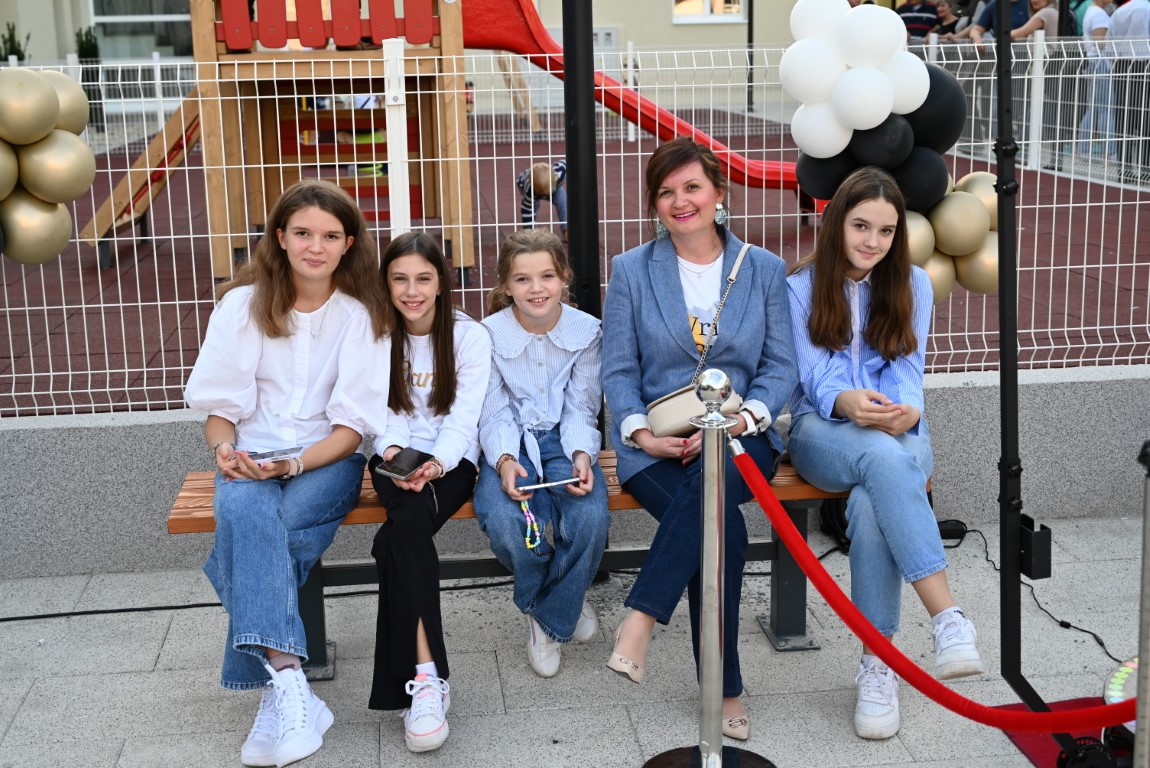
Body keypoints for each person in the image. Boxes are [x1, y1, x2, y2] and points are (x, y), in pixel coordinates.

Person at [184, 178, 391, 767]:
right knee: (253, 520)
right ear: (280, 236)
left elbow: (351, 430)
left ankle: (274, 691)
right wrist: (227, 453)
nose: (315, 247)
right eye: (302, 233)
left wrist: (294, 463)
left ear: (348, 243)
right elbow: (221, 413)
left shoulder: (361, 316)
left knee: (251, 541)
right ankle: (290, 683)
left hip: (326, 462)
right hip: (250, 461)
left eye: (329, 236)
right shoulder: (241, 307)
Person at [601, 137, 798, 741]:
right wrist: (639, 433)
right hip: (657, 443)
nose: (680, 201)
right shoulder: (631, 270)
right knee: (724, 529)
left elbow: (780, 366)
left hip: (740, 436)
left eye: (692, 187)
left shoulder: (762, 268)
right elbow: (619, 370)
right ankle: (724, 687)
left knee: (715, 500)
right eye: (666, 192)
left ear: (719, 192)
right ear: (654, 204)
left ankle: (640, 617)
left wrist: (746, 419)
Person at [784, 167, 984, 741]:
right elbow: (812, 375)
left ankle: (878, 665)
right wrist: (848, 402)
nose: (873, 241)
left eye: (886, 230)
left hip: (897, 433)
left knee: (875, 497)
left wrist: (907, 411)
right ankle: (946, 617)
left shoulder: (913, 284)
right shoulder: (799, 287)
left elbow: (908, 370)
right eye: (860, 226)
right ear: (836, 224)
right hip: (822, 429)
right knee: (881, 459)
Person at [366, 232, 492, 753]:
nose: (411, 291)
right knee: (409, 523)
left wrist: (436, 464)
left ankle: (422, 678)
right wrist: (398, 456)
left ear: (442, 282)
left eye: (423, 278)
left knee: (397, 538)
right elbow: (382, 415)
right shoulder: (377, 335)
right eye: (399, 279)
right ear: (386, 283)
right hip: (394, 458)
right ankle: (428, 675)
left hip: (453, 461)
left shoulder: (469, 336)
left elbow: (464, 420)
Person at [473, 228, 609, 679]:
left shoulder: (586, 332)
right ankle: (560, 599)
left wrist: (582, 454)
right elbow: (493, 413)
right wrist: (505, 461)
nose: (536, 289)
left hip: (564, 438)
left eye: (547, 276)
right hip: (509, 443)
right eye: (522, 279)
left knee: (590, 517)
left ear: (564, 277)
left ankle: (547, 614)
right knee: (507, 523)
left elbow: (581, 407)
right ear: (505, 285)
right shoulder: (487, 336)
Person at [1109, 0, 1150, 174]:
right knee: (1146, 118)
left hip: (1122, 65)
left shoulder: (1119, 12)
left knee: (1123, 118)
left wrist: (1113, 65)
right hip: (1145, 64)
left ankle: (1124, 169)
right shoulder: (1147, 8)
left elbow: (1110, 42)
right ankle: (1145, 168)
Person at [1075, 0, 1118, 162]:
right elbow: (1100, 43)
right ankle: (1112, 151)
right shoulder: (1099, 14)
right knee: (1106, 109)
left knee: (1093, 108)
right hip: (1100, 64)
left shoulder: (1091, 11)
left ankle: (1084, 149)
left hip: (1093, 62)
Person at [516, 160, 568, 240]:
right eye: (542, 194)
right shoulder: (529, 191)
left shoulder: (561, 171)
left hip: (554, 188)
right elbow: (527, 213)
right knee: (532, 206)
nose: (544, 196)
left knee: (563, 202)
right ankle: (532, 232)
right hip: (526, 185)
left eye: (546, 193)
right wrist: (530, 232)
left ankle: (566, 228)